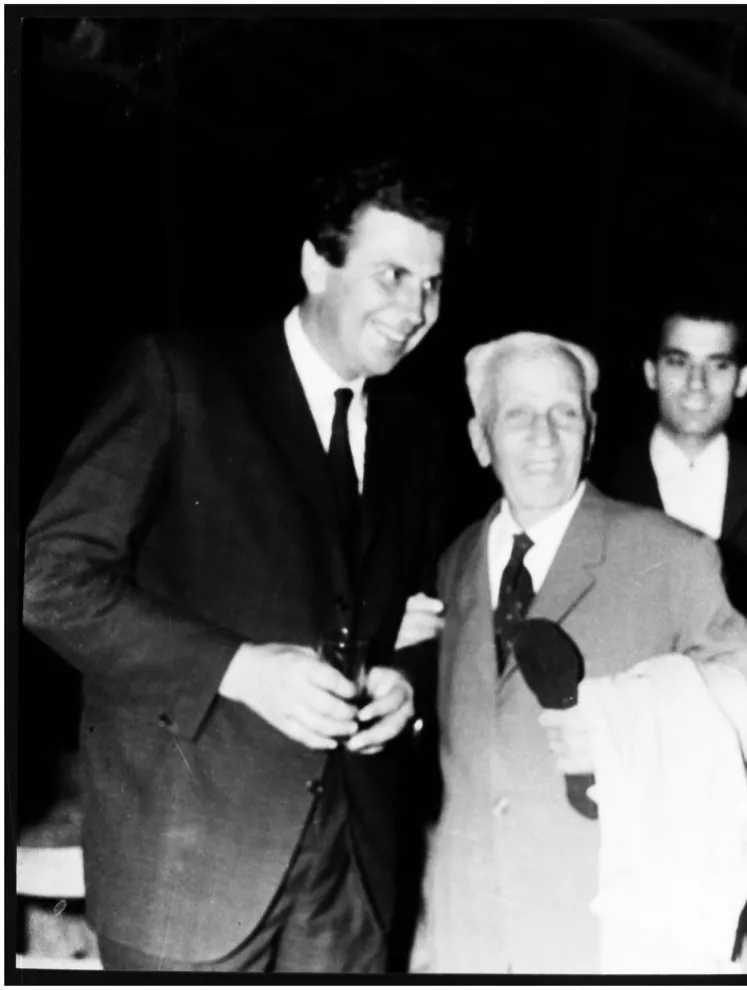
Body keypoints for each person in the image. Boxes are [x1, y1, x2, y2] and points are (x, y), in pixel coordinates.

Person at [22, 159, 453, 973]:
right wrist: (240, 669)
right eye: (391, 275)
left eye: (431, 285)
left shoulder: (418, 438)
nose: (414, 309)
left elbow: (416, 614)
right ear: (315, 265)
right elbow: (51, 585)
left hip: (351, 882)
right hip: (187, 876)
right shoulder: (178, 377)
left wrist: (405, 683)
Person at [411, 331, 747, 974]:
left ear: (591, 431)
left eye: (565, 413)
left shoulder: (671, 553)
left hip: (605, 941)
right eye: (519, 414)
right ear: (479, 439)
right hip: (465, 935)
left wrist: (626, 726)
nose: (546, 436)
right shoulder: (453, 561)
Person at [595, 307, 747, 678]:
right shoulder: (602, 489)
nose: (697, 383)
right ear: (651, 372)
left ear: (743, 381)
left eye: (718, 365)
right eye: (679, 362)